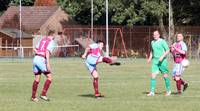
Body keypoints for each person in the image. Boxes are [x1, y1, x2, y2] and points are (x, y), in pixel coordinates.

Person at [31, 30, 56, 102]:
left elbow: (34, 48)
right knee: (49, 77)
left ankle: (33, 97)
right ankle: (43, 94)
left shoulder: (42, 39)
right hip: (41, 59)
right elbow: (47, 51)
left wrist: (38, 53)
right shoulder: (51, 41)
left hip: (36, 58)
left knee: (37, 78)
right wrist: (48, 63)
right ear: (53, 35)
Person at [147, 30, 171, 96]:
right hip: (155, 61)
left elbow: (168, 50)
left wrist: (162, 57)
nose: (155, 36)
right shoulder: (152, 42)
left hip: (162, 61)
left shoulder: (162, 41)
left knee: (165, 75)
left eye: (156, 35)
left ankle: (168, 91)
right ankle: (152, 92)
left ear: (159, 35)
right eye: (154, 35)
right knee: (153, 76)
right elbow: (152, 51)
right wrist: (150, 58)